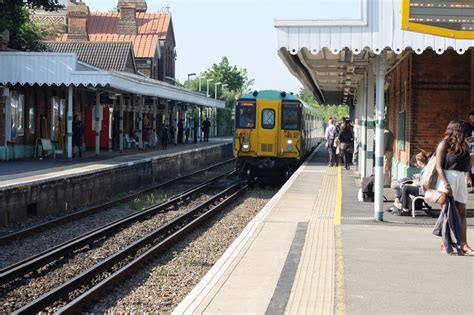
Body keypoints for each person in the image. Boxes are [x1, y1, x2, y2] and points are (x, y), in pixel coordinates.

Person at [435, 120, 472, 254]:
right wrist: (445, 183)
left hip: (460, 179)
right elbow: (438, 166)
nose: (467, 134)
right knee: (448, 213)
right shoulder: (444, 144)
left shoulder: (464, 145)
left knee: (462, 212)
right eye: (465, 132)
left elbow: (468, 163)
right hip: (448, 178)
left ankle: (464, 244)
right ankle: (445, 244)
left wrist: (467, 176)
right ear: (458, 131)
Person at [391, 151, 429, 216]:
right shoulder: (425, 168)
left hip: (423, 190)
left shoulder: (426, 169)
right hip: (423, 188)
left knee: (406, 188)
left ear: (419, 161)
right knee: (405, 186)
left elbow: (424, 182)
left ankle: (405, 209)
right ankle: (400, 206)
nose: (417, 163)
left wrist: (415, 184)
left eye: (417, 162)